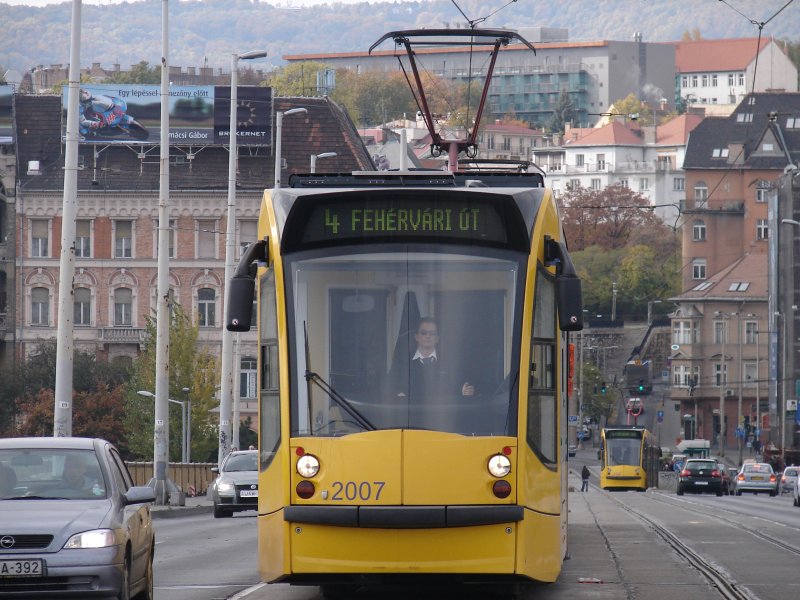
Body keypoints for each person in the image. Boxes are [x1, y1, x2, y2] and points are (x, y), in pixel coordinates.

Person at [390, 317, 474, 401]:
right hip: (412, 412)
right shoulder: (403, 362)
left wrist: (464, 391)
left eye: (432, 333)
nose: (428, 336)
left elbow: (457, 387)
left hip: (440, 413)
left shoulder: (448, 362)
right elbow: (390, 385)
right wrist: (398, 393)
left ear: (437, 338)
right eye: (423, 333)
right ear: (416, 337)